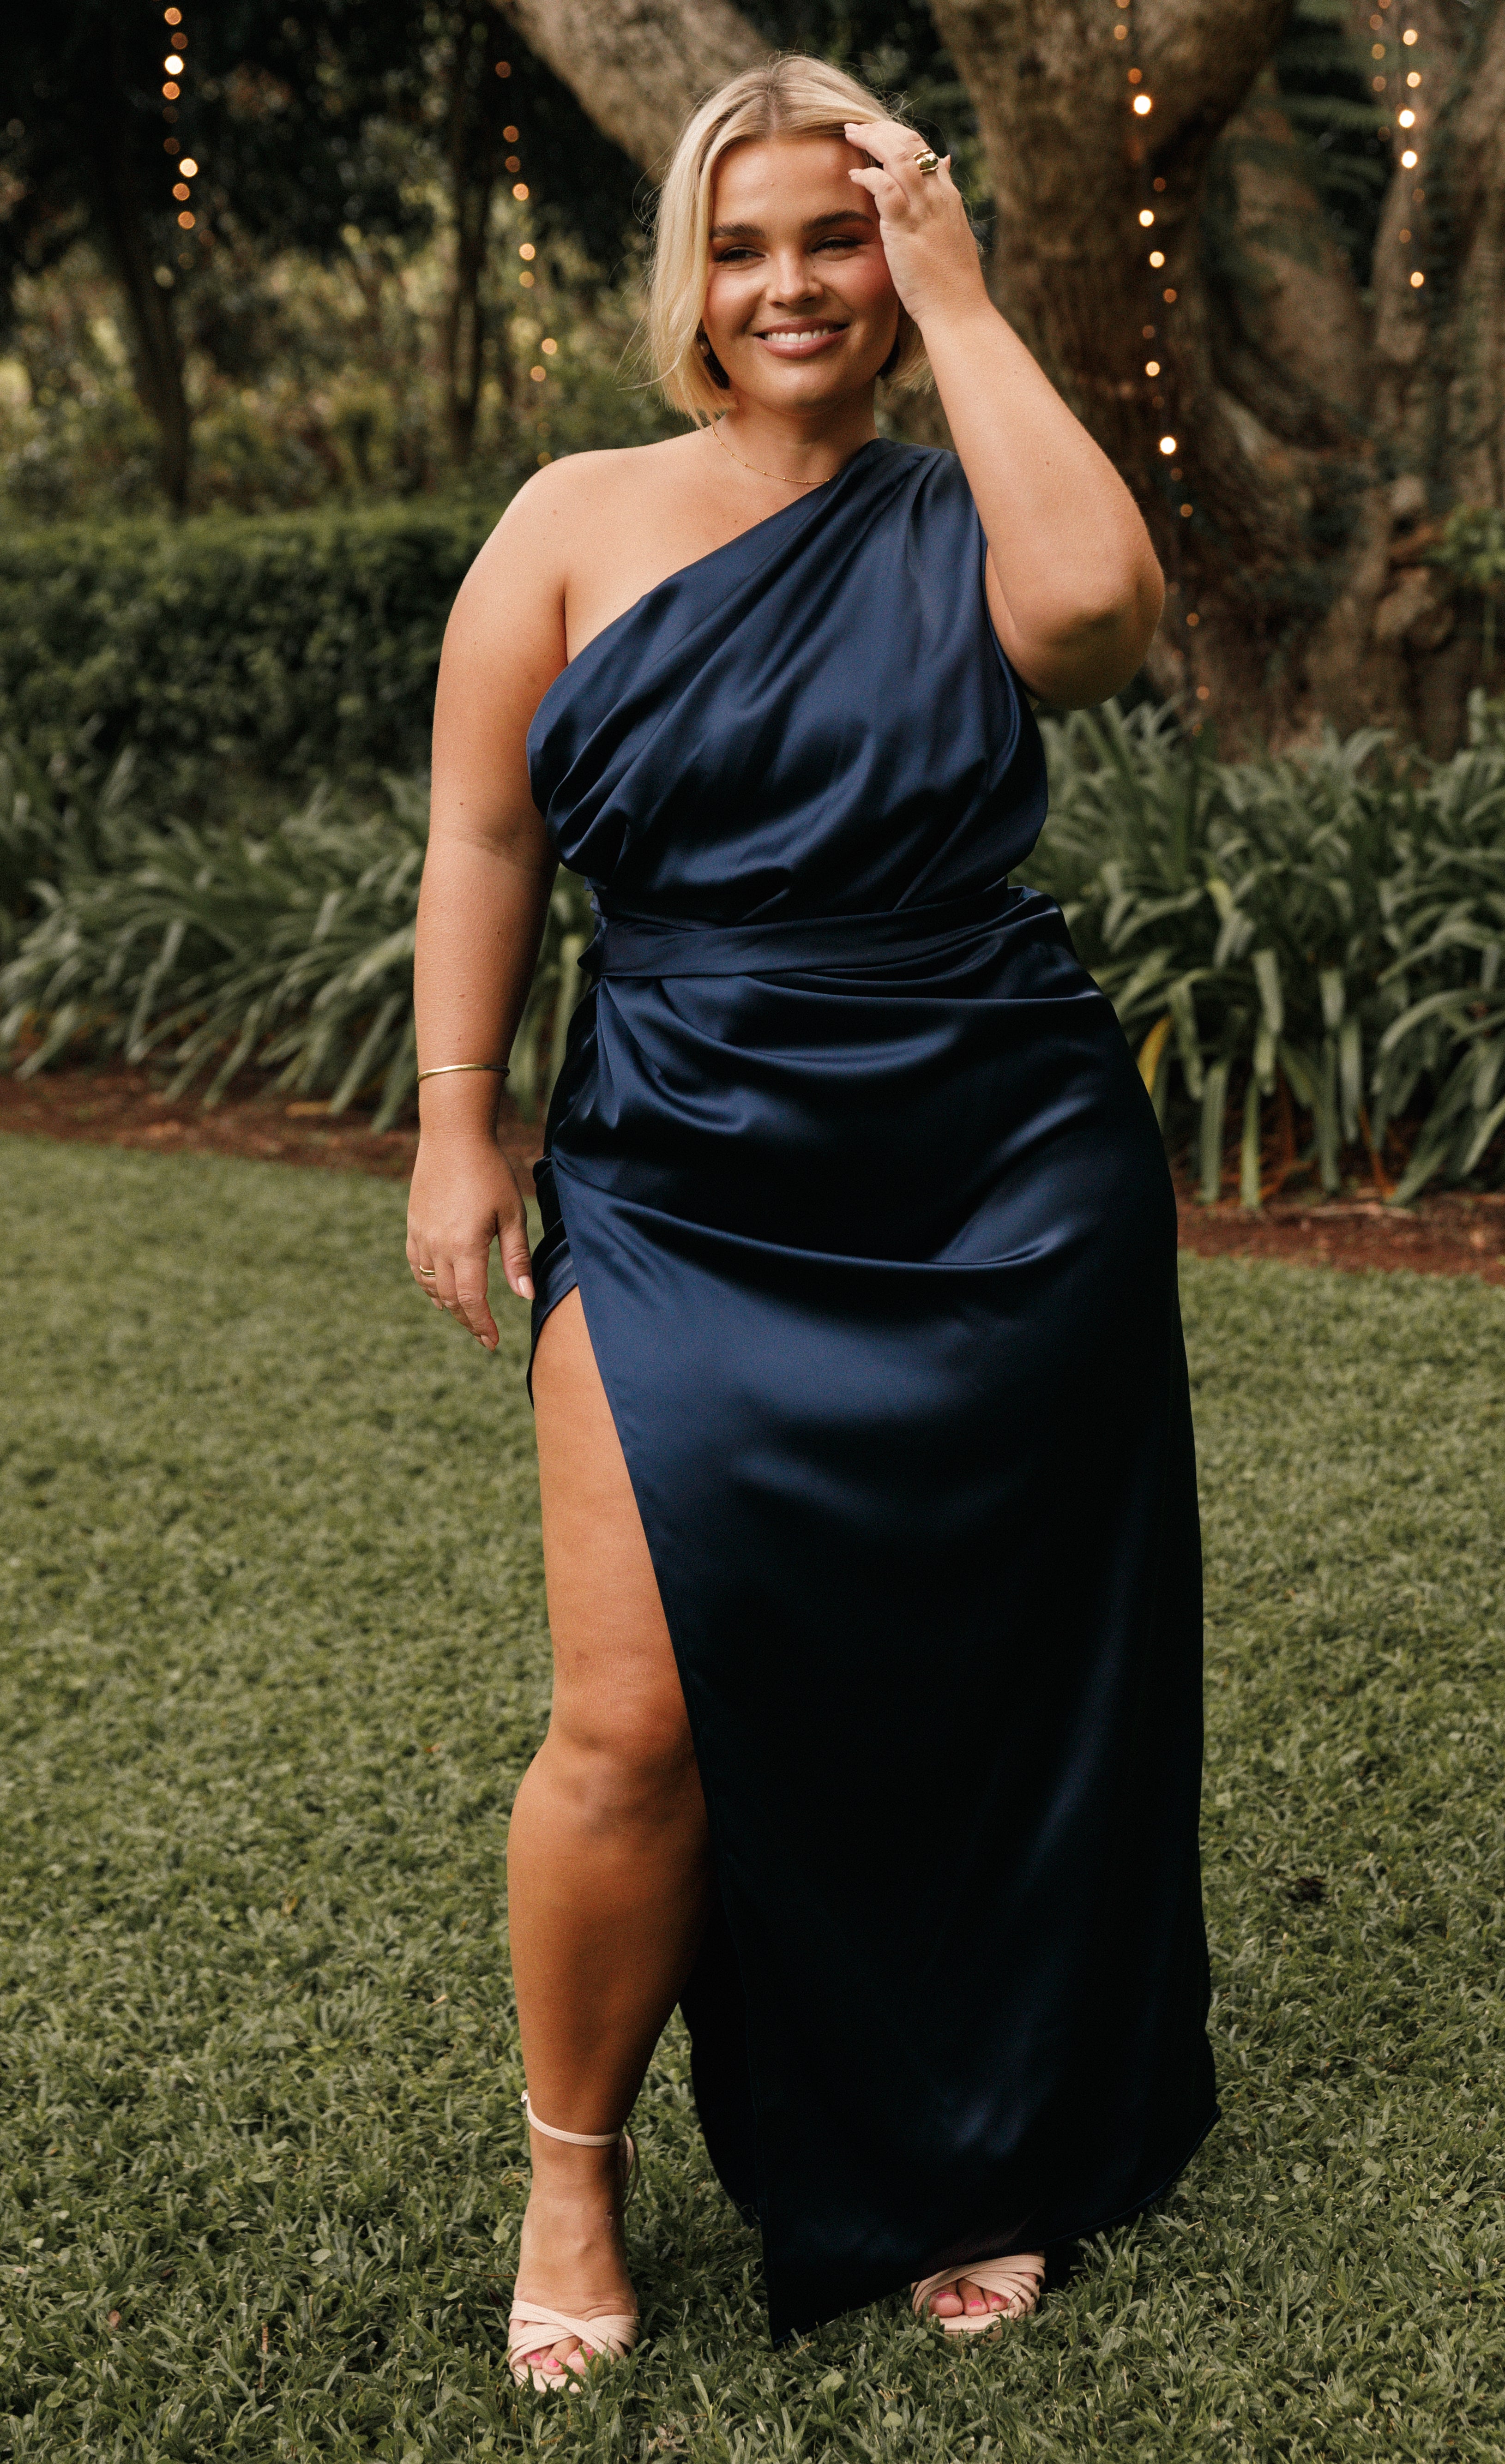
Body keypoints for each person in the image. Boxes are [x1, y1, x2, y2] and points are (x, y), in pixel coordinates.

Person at [406, 54, 1216, 2397]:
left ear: (895, 249)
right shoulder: (571, 517)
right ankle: (572, 2176)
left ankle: (970, 2142)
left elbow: (1096, 625)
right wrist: (457, 1121)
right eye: (743, 244)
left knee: (976, 1686)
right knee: (628, 1718)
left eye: (834, 237)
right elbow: (483, 836)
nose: (789, 286)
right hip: (677, 1159)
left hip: (996, 1167)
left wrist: (962, 299)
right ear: (688, 273)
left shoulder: (969, 508)